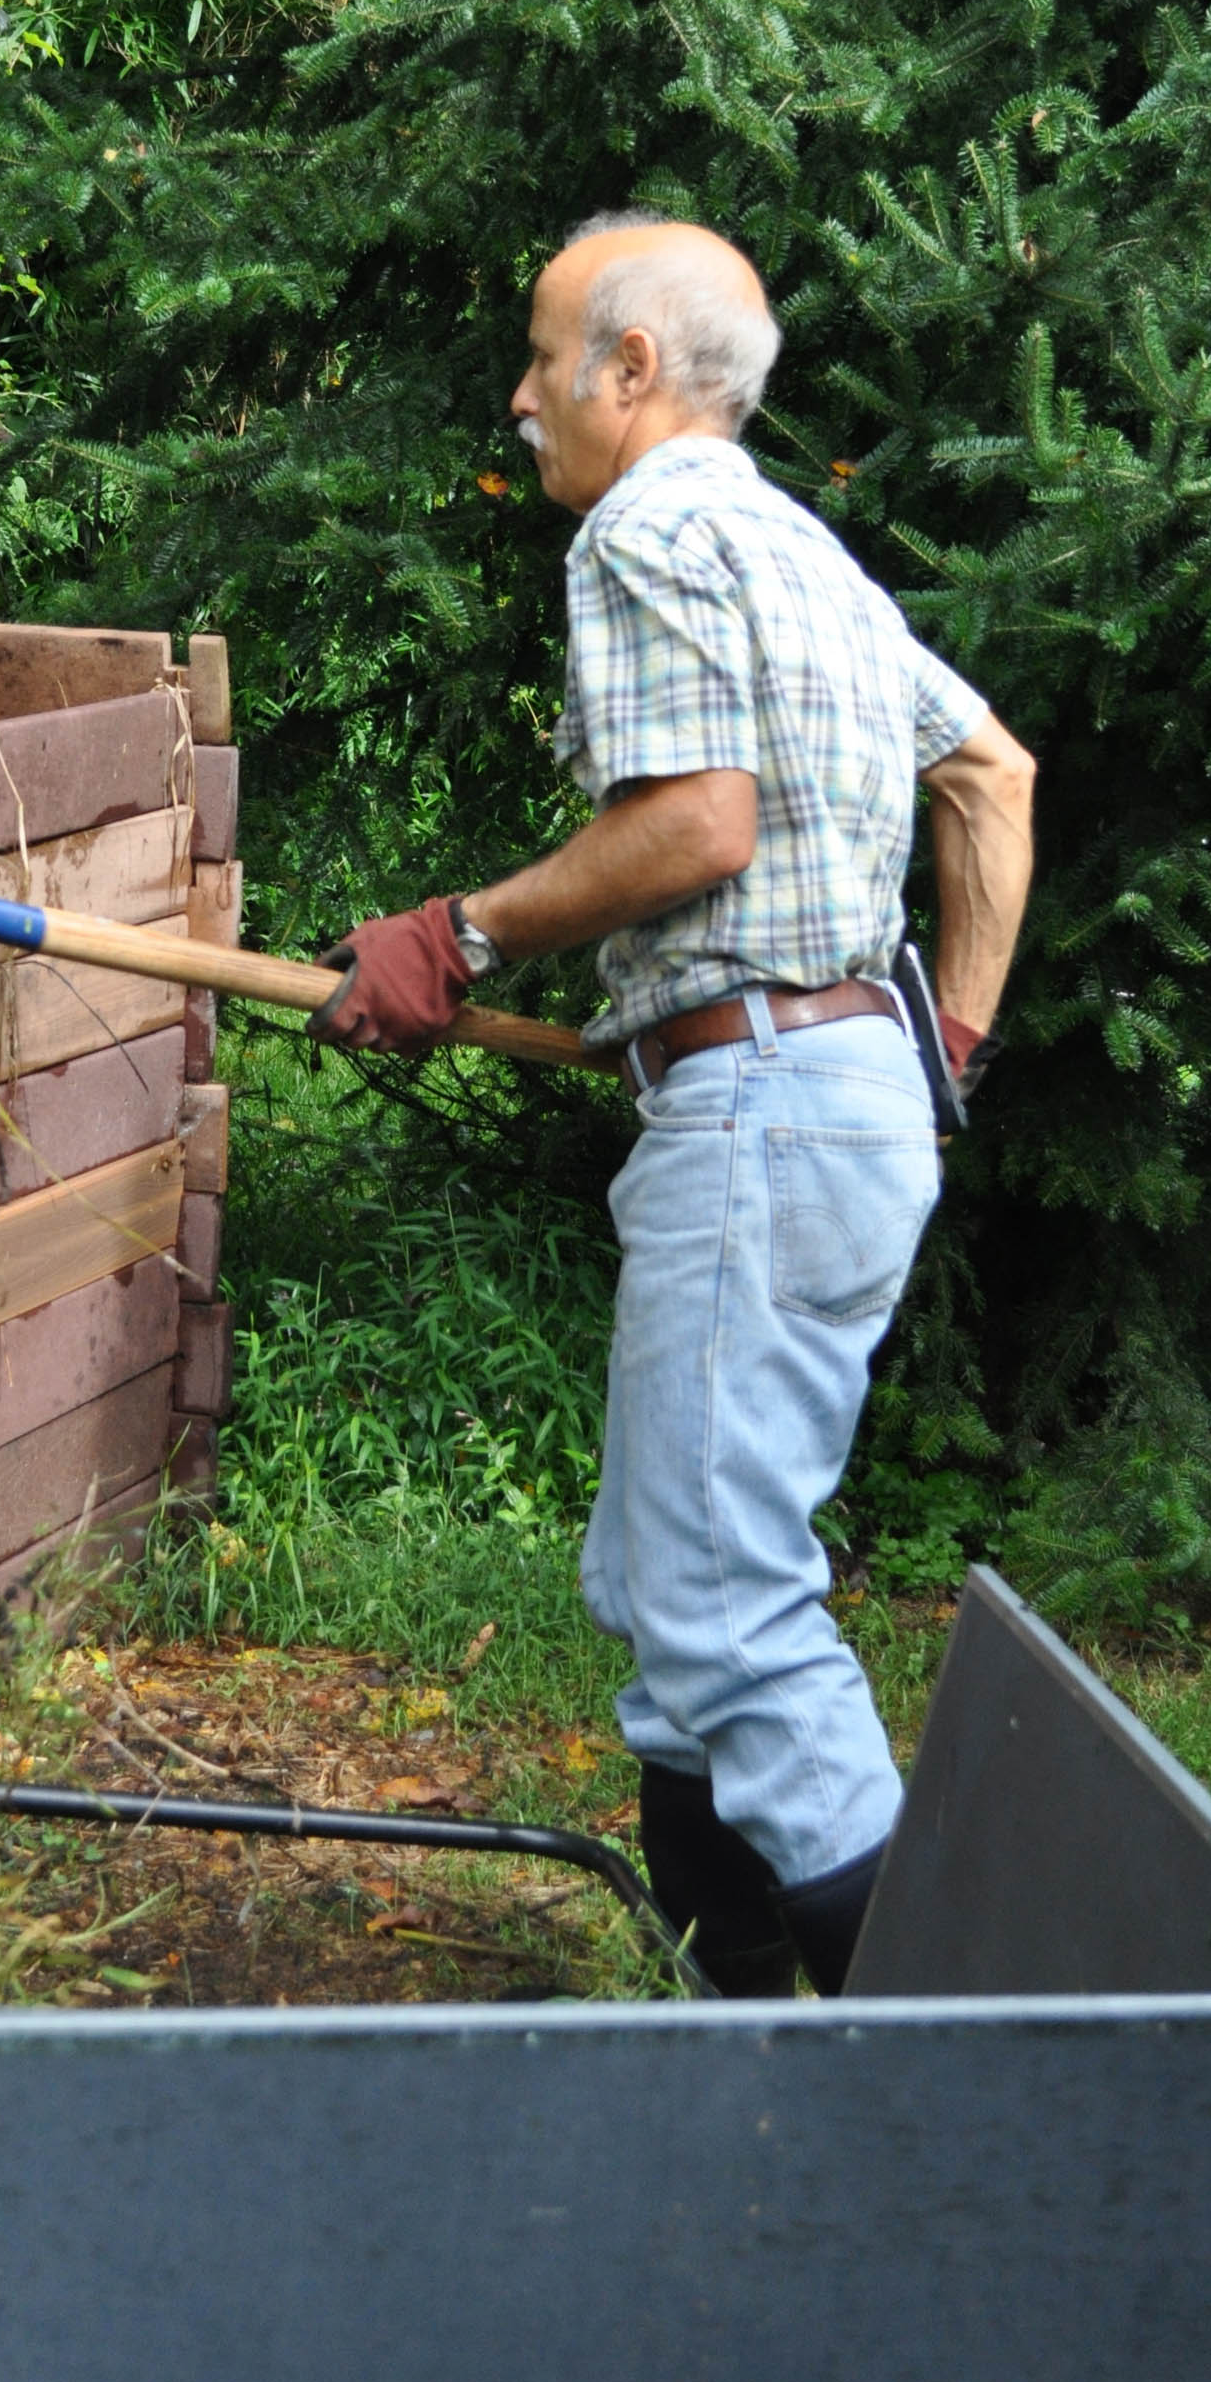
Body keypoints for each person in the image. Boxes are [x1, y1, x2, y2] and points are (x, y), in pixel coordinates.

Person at [312, 211, 1036, 1996]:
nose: (519, 395)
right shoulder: (808, 556)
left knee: (723, 1605)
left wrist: (454, 937)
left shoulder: (643, 527)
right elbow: (990, 774)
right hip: (843, 1085)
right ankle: (739, 2034)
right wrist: (945, 1043)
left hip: (770, 1100)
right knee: (666, 1576)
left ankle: (955, 2069)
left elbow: (697, 826)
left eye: (545, 357)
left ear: (631, 370)